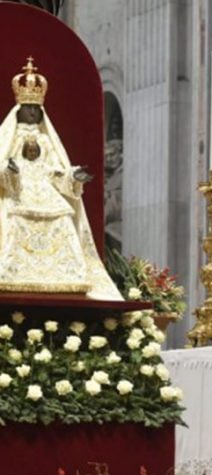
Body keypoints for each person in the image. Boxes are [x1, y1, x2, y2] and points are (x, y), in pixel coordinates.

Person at [0, 58, 122, 300]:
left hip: (47, 194)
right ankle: (11, 272)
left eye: (36, 109)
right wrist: (9, 170)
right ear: (19, 110)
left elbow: (55, 171)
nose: (33, 112)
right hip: (18, 194)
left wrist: (73, 176)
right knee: (12, 220)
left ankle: (67, 274)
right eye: (28, 107)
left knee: (64, 220)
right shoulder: (9, 137)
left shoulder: (47, 140)